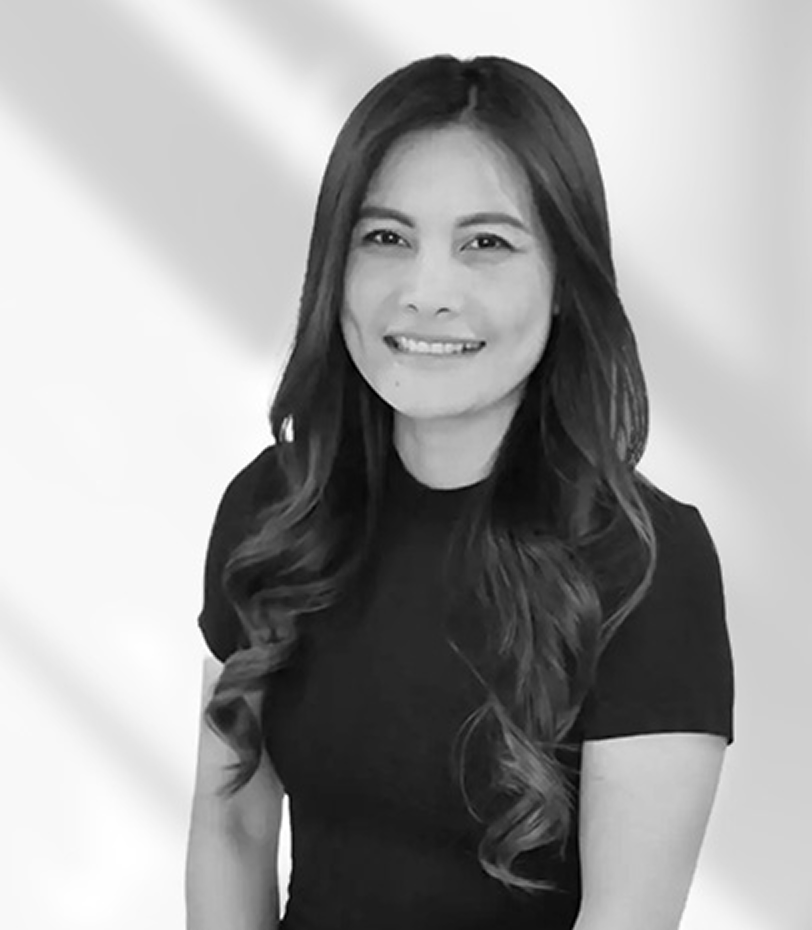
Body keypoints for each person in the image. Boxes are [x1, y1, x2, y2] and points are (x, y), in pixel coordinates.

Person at [184, 54, 734, 930]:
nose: (426, 293)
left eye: (486, 244)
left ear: (566, 281)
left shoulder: (647, 563)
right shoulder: (277, 507)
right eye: (386, 238)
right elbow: (233, 828)